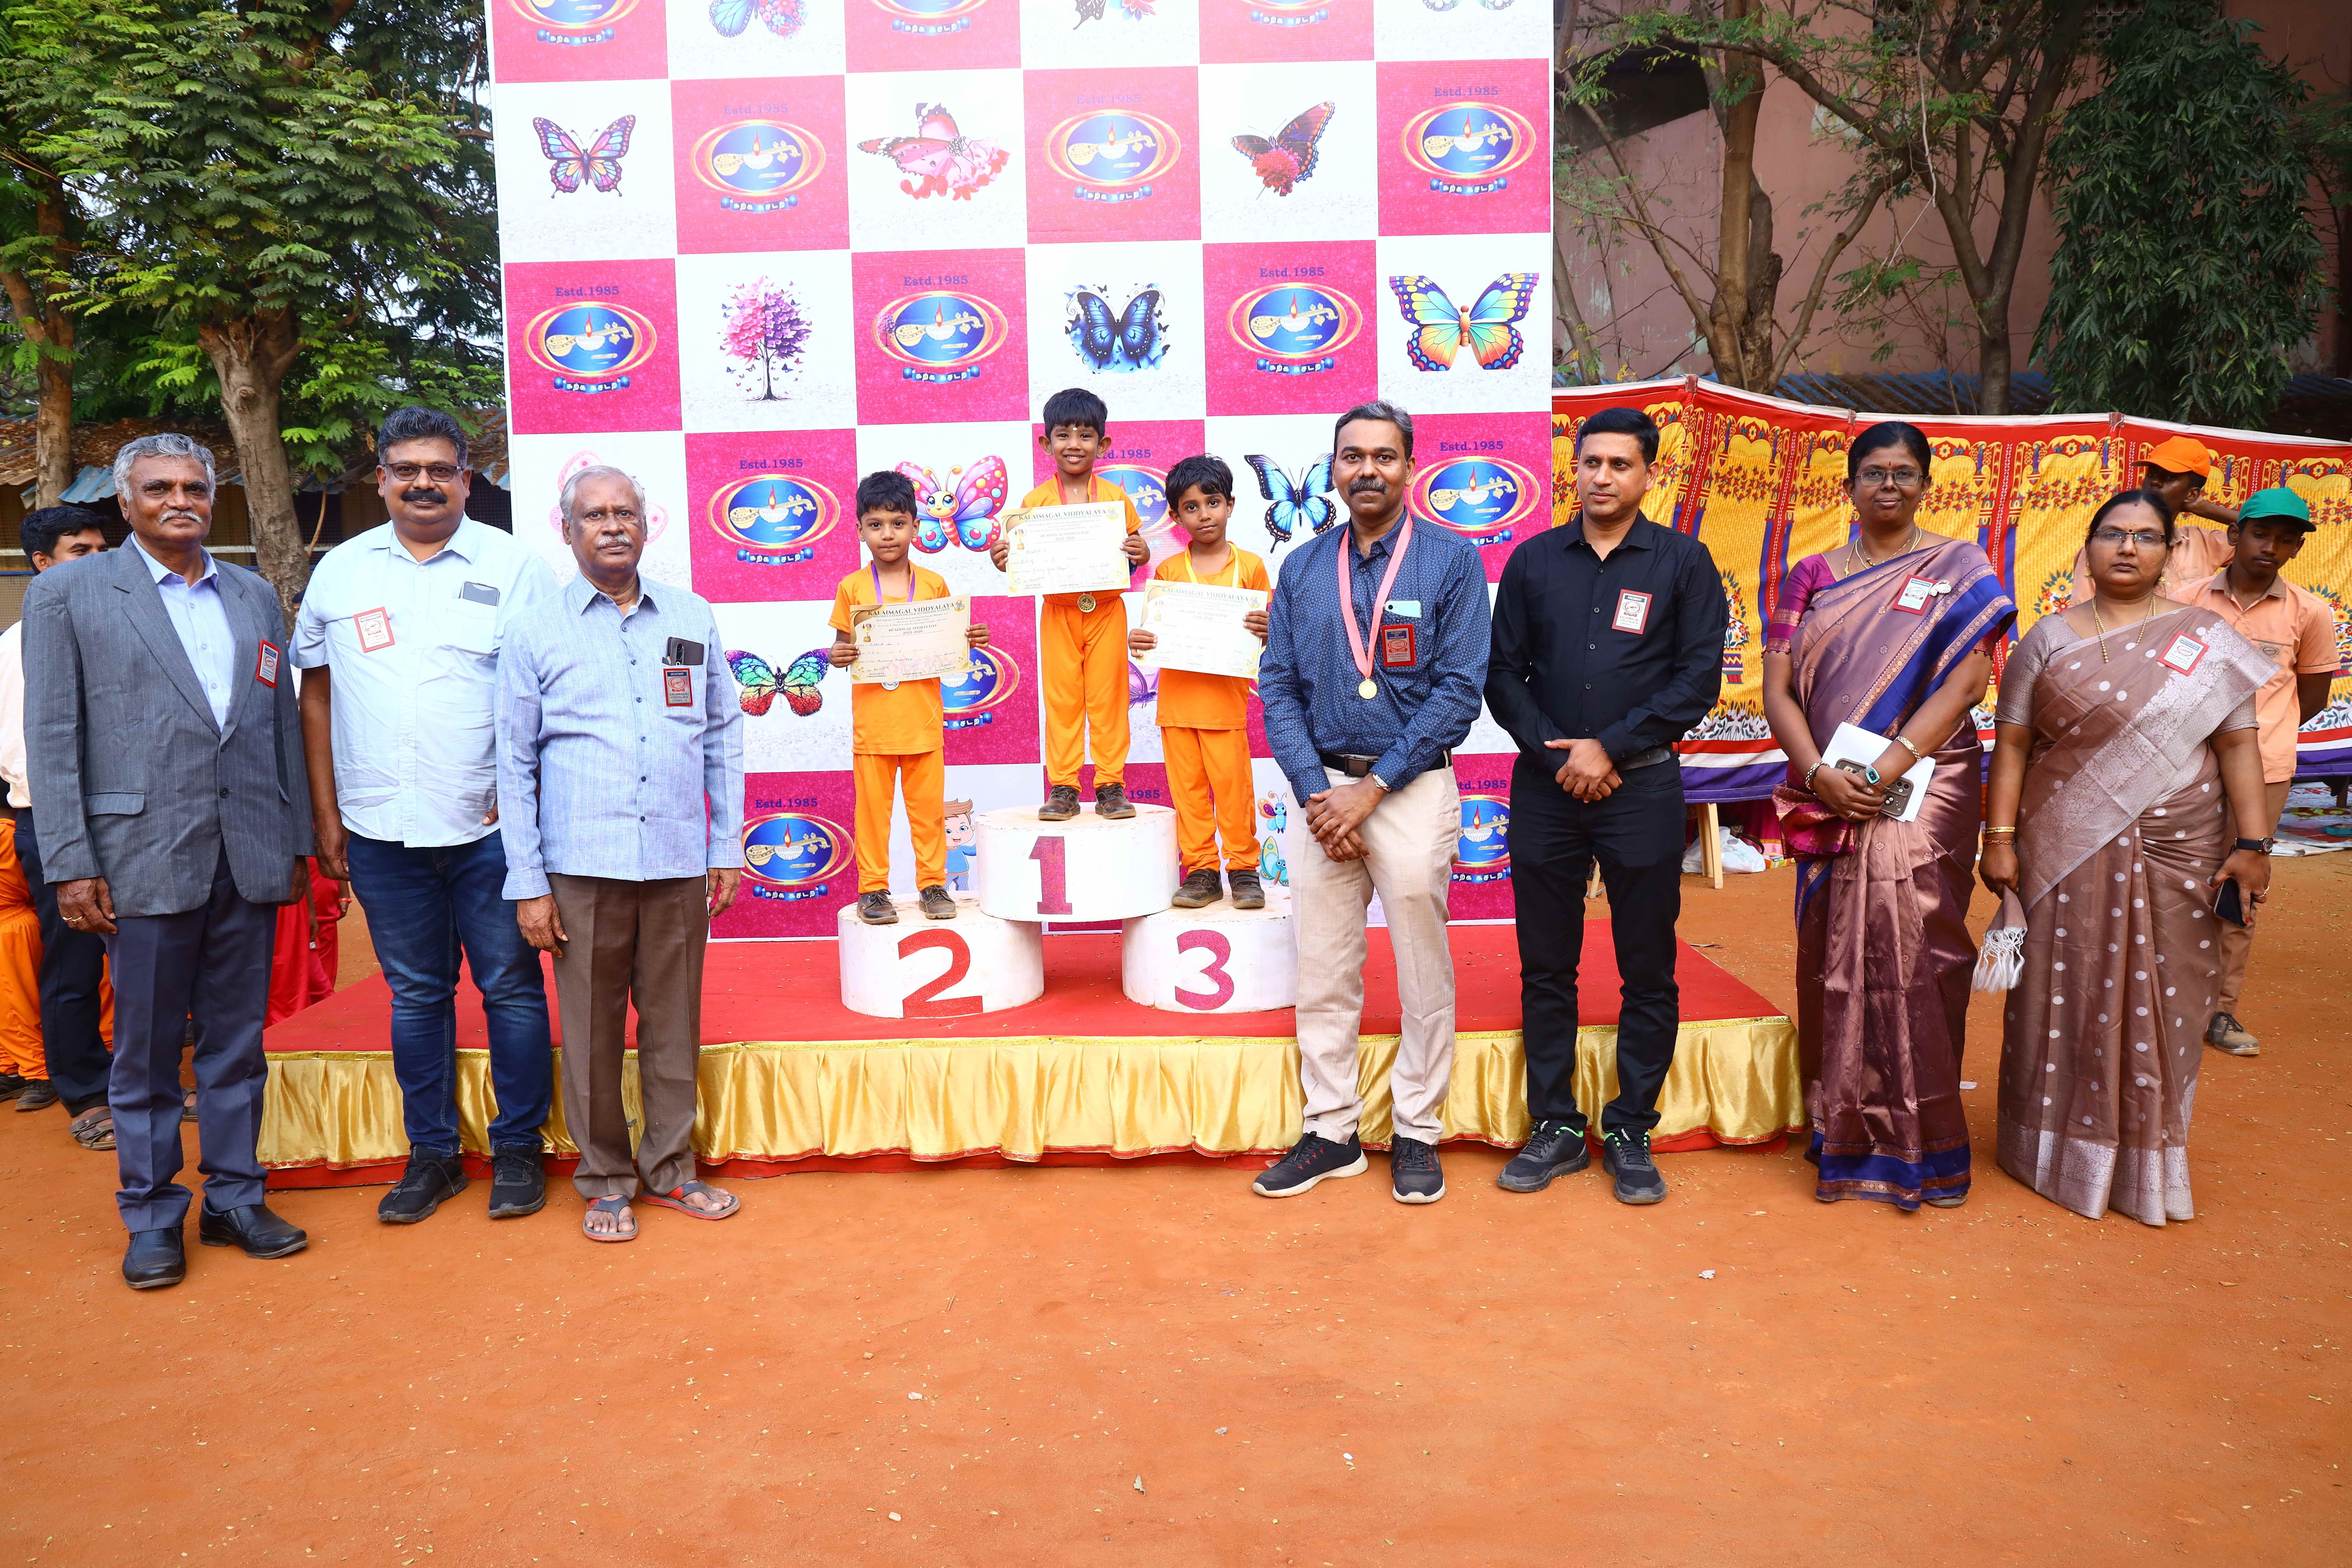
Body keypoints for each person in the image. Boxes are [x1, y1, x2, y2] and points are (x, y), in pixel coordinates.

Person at [23, 433, 314, 1289]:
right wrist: (72, 862)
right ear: (126, 503)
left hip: (248, 852)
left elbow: (278, 724)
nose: (179, 500)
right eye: (159, 488)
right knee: (147, 1055)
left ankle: (234, 1198)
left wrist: (293, 840)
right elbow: (53, 734)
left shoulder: (254, 595)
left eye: (194, 486)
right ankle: (152, 1214)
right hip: (137, 857)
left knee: (236, 1044)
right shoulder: (71, 593)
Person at [295, 405, 561, 1225]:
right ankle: (433, 1155)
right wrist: (327, 813)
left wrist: (537, 828)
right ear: (379, 479)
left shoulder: (517, 566)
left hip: (492, 828)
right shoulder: (340, 572)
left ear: (466, 482)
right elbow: (317, 695)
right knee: (415, 995)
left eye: (439, 470)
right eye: (405, 469)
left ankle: (518, 1149)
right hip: (379, 828)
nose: (422, 483)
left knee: (511, 989)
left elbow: (548, 700)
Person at [1983, 489, 2275, 1226]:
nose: (2127, 548)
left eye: (2147, 537)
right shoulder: (2047, 639)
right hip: (2067, 841)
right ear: (2086, 546)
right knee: (2065, 985)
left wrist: (2252, 842)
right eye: (2112, 534)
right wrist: (2001, 838)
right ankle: (2051, 1149)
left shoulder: (2203, 637)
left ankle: (2148, 1153)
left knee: (2171, 993)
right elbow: (2014, 743)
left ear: (2169, 550)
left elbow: (2239, 742)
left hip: (2184, 842)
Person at [1757, 421, 2016, 1210]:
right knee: (1831, 946)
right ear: (1849, 486)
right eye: (1874, 473)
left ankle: (1924, 1139)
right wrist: (1818, 773)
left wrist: (1882, 767)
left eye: (1905, 473)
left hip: (1928, 781)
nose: (1890, 486)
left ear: (1926, 484)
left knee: (1919, 944)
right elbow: (1778, 690)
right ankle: (1840, 1122)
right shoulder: (1809, 574)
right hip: (1828, 785)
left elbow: (1967, 686)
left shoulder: (1962, 569)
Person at [1485, 406, 1728, 1206]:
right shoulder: (1532, 562)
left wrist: (1609, 749)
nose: (1601, 478)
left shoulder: (1685, 565)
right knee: (1547, 966)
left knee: (1647, 969)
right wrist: (1560, 751)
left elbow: (1695, 681)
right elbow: (1502, 675)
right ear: (1574, 468)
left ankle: (1630, 1128)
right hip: (1547, 787)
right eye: (1591, 463)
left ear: (1647, 475)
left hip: (1644, 787)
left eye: (1620, 466)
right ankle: (1554, 1125)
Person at [497, 465, 746, 1243]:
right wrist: (530, 881)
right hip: (581, 866)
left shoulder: (692, 616)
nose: (612, 525)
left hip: (675, 858)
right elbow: (513, 761)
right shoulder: (535, 627)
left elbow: (723, 733)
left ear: (647, 524)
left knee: (674, 1024)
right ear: (567, 529)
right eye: (595, 514)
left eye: (625, 512)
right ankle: (605, 1178)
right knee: (594, 1030)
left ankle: (672, 1167)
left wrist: (727, 842)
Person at [1253, 400, 1489, 1204]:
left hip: (1410, 789)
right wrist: (1320, 794)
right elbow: (1277, 686)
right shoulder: (1303, 566)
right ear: (1332, 468)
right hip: (1322, 794)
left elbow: (1459, 693)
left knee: (1423, 971)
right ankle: (1332, 1132)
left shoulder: (1451, 561)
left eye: (1384, 457)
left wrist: (1374, 788)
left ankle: (1418, 1131)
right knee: (1322, 968)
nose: (1367, 470)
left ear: (1410, 467)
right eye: (1352, 457)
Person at [2181, 486, 2334, 1057]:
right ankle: (2165, 998)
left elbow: (2309, 698)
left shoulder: (2310, 613)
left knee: (2240, 885)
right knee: (2172, 879)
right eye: (2262, 533)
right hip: (2186, 763)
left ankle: (2220, 1011)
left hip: (2265, 770)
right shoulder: (2186, 600)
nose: (2273, 547)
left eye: (2287, 539)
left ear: (2296, 548)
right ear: (2235, 535)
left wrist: (2263, 735)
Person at [829, 470, 992, 925]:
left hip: (923, 724)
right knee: (873, 818)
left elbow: (953, 643)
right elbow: (843, 650)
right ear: (860, 530)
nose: (888, 534)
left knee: (927, 814)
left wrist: (971, 637)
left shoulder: (936, 585)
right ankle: (873, 890)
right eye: (876, 524)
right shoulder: (852, 588)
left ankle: (933, 884)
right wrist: (838, 654)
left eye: (898, 523)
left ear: (917, 527)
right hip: (874, 729)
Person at [990, 388, 1150, 821]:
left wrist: (1140, 551)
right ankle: (1063, 786)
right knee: (1062, 700)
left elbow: (1139, 550)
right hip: (1059, 612)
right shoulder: (1035, 503)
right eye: (1063, 435)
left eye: (1085, 435)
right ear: (1046, 444)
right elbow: (1021, 561)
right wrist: (1004, 558)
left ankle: (1110, 784)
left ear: (1103, 445)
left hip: (1106, 612)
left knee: (1110, 698)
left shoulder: (1116, 498)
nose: (1074, 445)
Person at [0, 505, 111, 1126]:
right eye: (81, 551)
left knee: (144, 950)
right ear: (43, 564)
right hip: (50, 820)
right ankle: (86, 1093)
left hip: (125, 817)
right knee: (72, 960)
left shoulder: (109, 628)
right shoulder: (16, 647)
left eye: (103, 549)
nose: (99, 561)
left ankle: (140, 1076)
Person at [1128, 454, 1272, 910]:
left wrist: (1269, 629)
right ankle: (1202, 870)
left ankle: (1244, 869)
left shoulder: (1249, 568)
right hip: (1176, 706)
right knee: (1188, 794)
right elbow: (1156, 638)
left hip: (1225, 706)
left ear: (1231, 505)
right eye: (1191, 507)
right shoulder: (1169, 572)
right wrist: (1141, 640)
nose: (1204, 514)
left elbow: (1267, 635)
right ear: (1175, 517)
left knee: (1233, 790)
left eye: (1212, 503)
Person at [2065, 434, 2238, 602]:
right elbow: (2083, 608)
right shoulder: (2106, 542)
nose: (2155, 482)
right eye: (2152, 475)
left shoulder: (2204, 543)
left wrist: (2204, 508)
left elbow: (2259, 532)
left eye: (2171, 478)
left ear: (2192, 494)